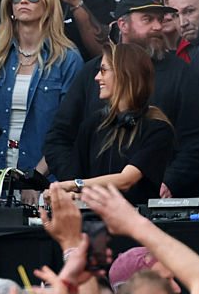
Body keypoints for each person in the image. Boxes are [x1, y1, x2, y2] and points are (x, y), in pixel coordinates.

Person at [45, 0, 199, 200]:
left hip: (155, 205)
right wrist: (79, 188)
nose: (158, 27)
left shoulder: (182, 75)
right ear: (123, 25)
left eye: (161, 19)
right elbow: (58, 138)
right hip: (93, 209)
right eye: (148, 19)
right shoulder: (91, 73)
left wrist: (171, 181)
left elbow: (198, 140)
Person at [0, 0, 82, 172]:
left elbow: (68, 129)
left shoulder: (67, 58)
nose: (23, 0)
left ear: (47, 3)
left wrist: (35, 178)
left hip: (45, 176)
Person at [57, 43, 173, 204]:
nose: (97, 77)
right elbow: (77, 178)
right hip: (92, 224)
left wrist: (74, 185)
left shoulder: (157, 129)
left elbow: (126, 180)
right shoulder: (91, 126)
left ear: (124, 74)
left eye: (103, 70)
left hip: (135, 224)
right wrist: (67, 194)